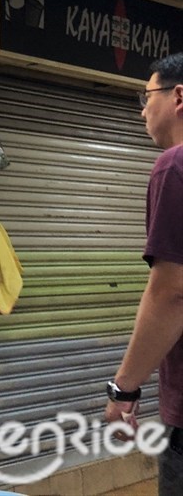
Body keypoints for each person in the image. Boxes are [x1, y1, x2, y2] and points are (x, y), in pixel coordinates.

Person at [106, 53, 183, 496]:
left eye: (146, 96)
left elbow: (172, 293)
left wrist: (124, 388)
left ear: (178, 96)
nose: (142, 110)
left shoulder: (175, 166)